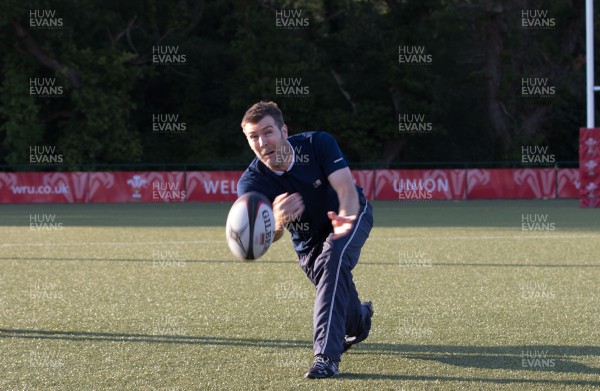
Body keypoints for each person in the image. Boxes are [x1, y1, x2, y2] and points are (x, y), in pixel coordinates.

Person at [237, 101, 374, 379]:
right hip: (308, 244)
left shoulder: (318, 144)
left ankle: (325, 357)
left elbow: (346, 188)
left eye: (268, 132)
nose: (263, 142)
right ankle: (360, 320)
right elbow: (262, 239)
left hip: (349, 215)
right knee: (345, 309)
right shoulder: (251, 184)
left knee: (333, 254)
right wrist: (275, 221)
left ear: (284, 130)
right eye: (254, 137)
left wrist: (345, 218)